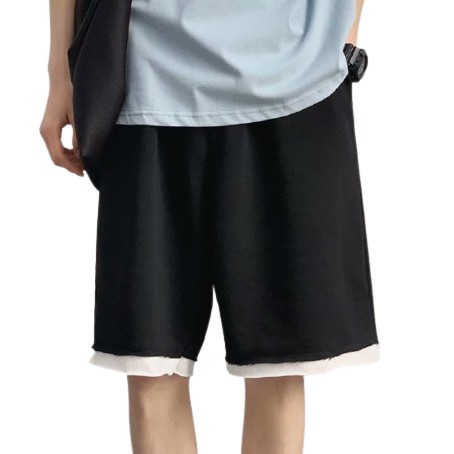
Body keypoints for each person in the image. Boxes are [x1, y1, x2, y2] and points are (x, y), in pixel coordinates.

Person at [40, 1, 380, 453]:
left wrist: (345, 33)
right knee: (150, 367)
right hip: (144, 69)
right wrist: (60, 74)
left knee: (278, 366)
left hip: (296, 73)